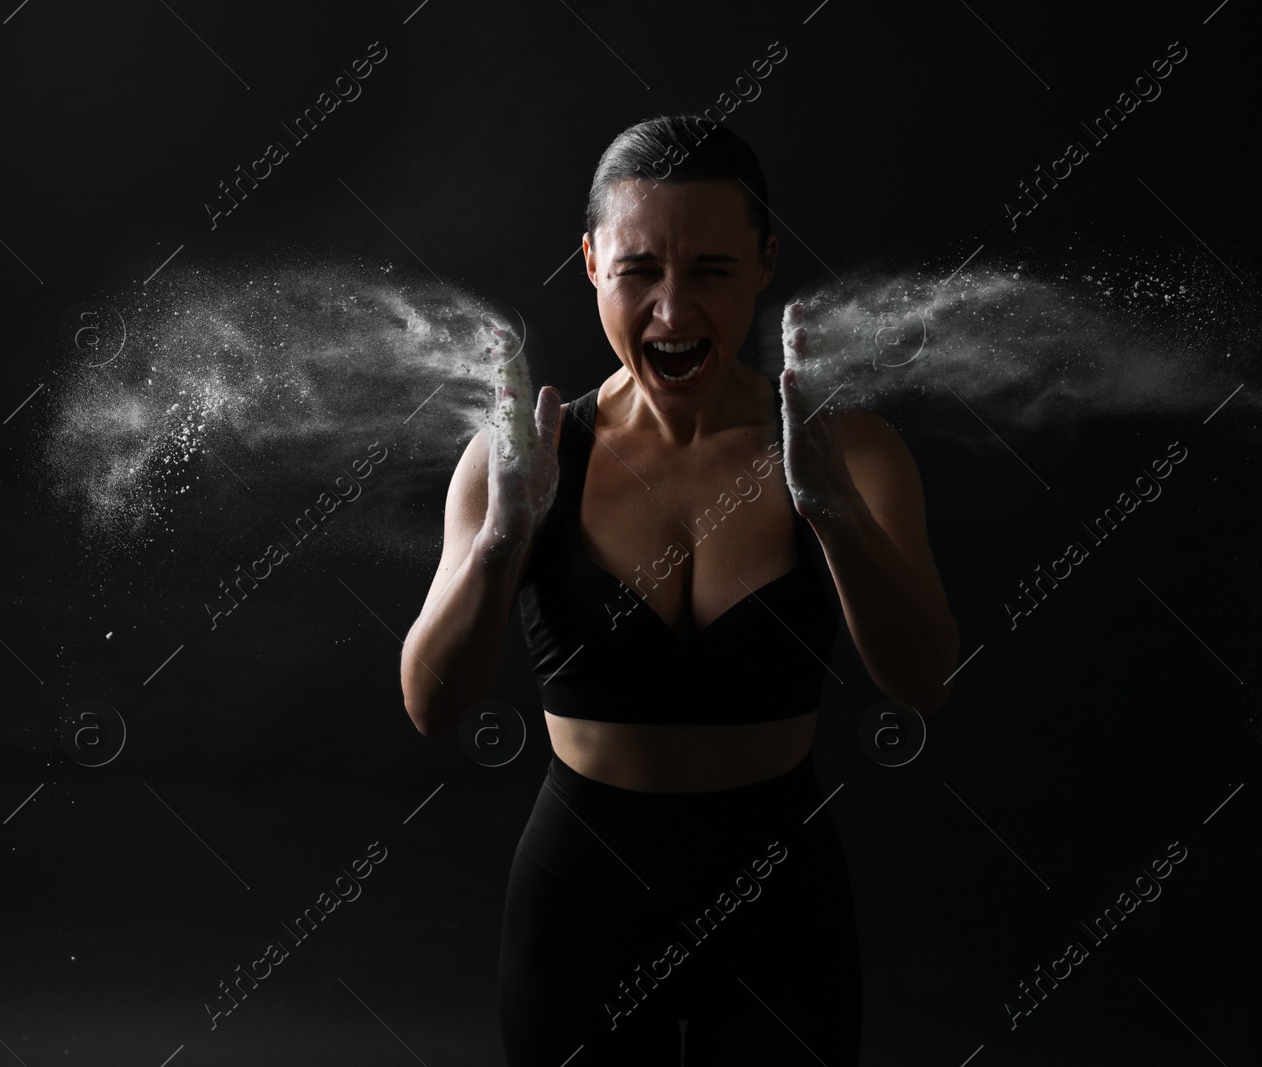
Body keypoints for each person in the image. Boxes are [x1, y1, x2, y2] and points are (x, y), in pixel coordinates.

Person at [400, 114, 959, 1066]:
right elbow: (430, 704)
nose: (672, 312)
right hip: (579, 902)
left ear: (766, 262)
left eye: (710, 270)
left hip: (784, 899)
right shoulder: (521, 459)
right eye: (639, 272)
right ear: (589, 265)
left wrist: (835, 515)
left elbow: (923, 681)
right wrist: (503, 541)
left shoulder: (849, 451)